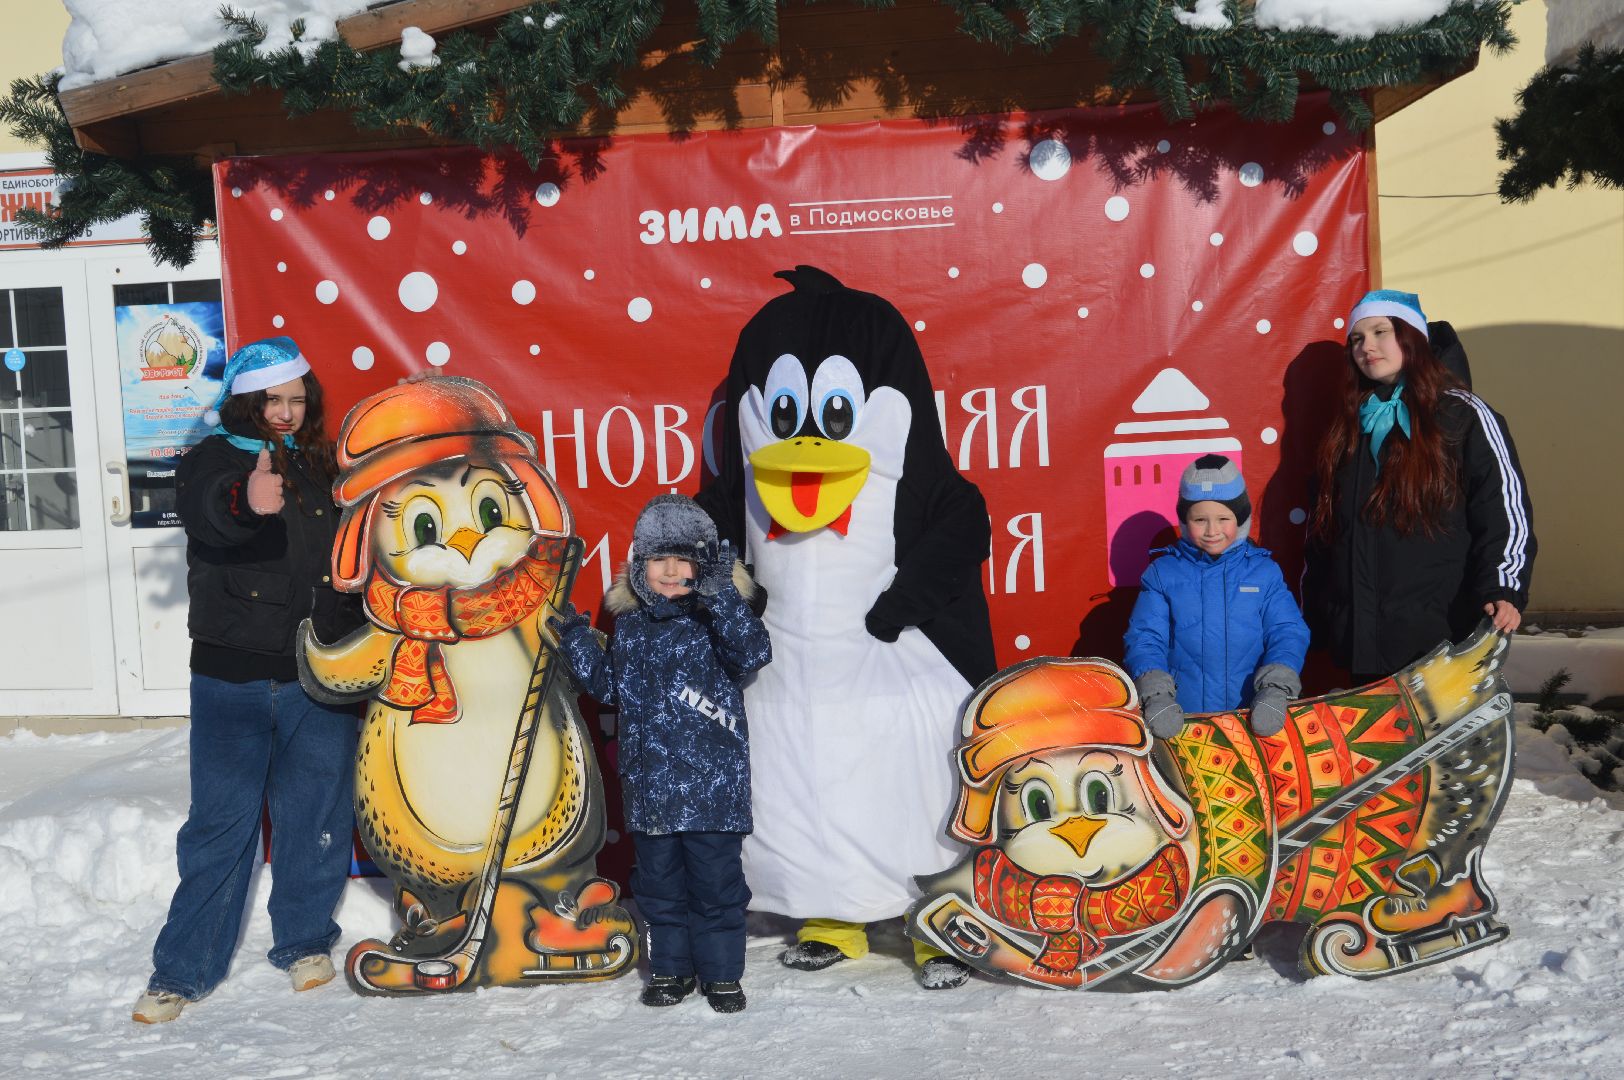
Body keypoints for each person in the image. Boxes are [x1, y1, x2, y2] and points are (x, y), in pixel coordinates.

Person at [132, 338, 361, 1024]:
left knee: (314, 818)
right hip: (234, 679)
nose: (286, 413)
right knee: (221, 827)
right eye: (273, 401)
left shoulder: (319, 467)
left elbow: (342, 561)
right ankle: (181, 971)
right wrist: (245, 497)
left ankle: (304, 942)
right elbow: (211, 512)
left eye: (296, 400)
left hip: (319, 673)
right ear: (246, 401)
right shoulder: (214, 458)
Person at [551, 494, 771, 1014]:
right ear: (639, 565)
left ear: (707, 565)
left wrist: (721, 599)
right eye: (658, 559)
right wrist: (577, 641)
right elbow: (611, 688)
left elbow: (754, 652)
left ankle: (721, 976)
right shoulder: (630, 626)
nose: (671, 571)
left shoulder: (719, 618)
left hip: (712, 794)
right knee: (659, 892)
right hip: (650, 795)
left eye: (684, 559)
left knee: (717, 890)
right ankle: (671, 970)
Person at [1306, 290, 1536, 683]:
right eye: (1357, 339)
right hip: (1363, 643)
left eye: (1381, 331)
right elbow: (1323, 531)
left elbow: (1503, 508)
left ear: (1411, 337)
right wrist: (1318, 613)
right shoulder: (1348, 425)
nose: (1367, 347)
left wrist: (1503, 584)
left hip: (1441, 639)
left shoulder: (1463, 414)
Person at [1124, 454, 1310, 738]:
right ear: (1185, 521)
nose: (1212, 531)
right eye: (1200, 519)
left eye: (1224, 518)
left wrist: (1275, 688)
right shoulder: (1163, 574)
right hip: (1184, 723)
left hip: (1251, 716)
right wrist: (1156, 694)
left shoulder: (1264, 573)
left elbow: (1287, 631)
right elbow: (1146, 638)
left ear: (1242, 518)